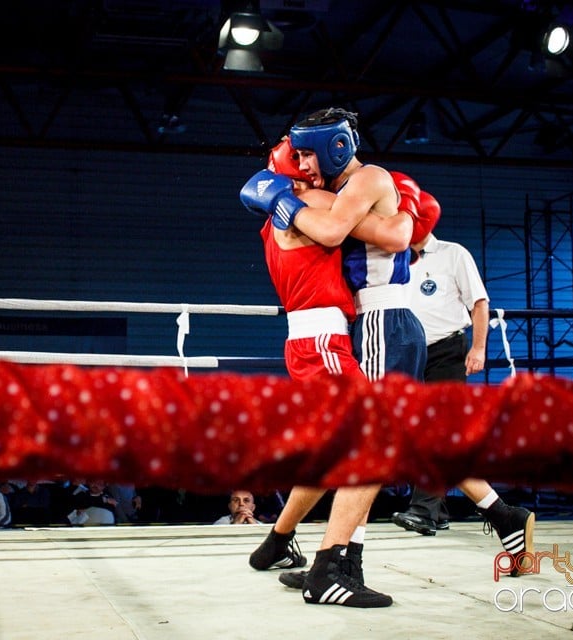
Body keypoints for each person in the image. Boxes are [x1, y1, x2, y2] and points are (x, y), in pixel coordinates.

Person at [241, 110, 435, 607]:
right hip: (340, 335)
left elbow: (379, 238)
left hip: (340, 334)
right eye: (299, 157)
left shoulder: (298, 205)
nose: (307, 165)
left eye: (311, 154)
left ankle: (288, 546)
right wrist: (409, 212)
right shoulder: (313, 197)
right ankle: (331, 567)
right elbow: (388, 237)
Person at [390, 231, 535, 566]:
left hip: (446, 352)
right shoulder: (395, 256)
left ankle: (425, 510)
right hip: (409, 353)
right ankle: (448, 511)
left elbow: (479, 302)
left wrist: (479, 347)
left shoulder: (453, 253)